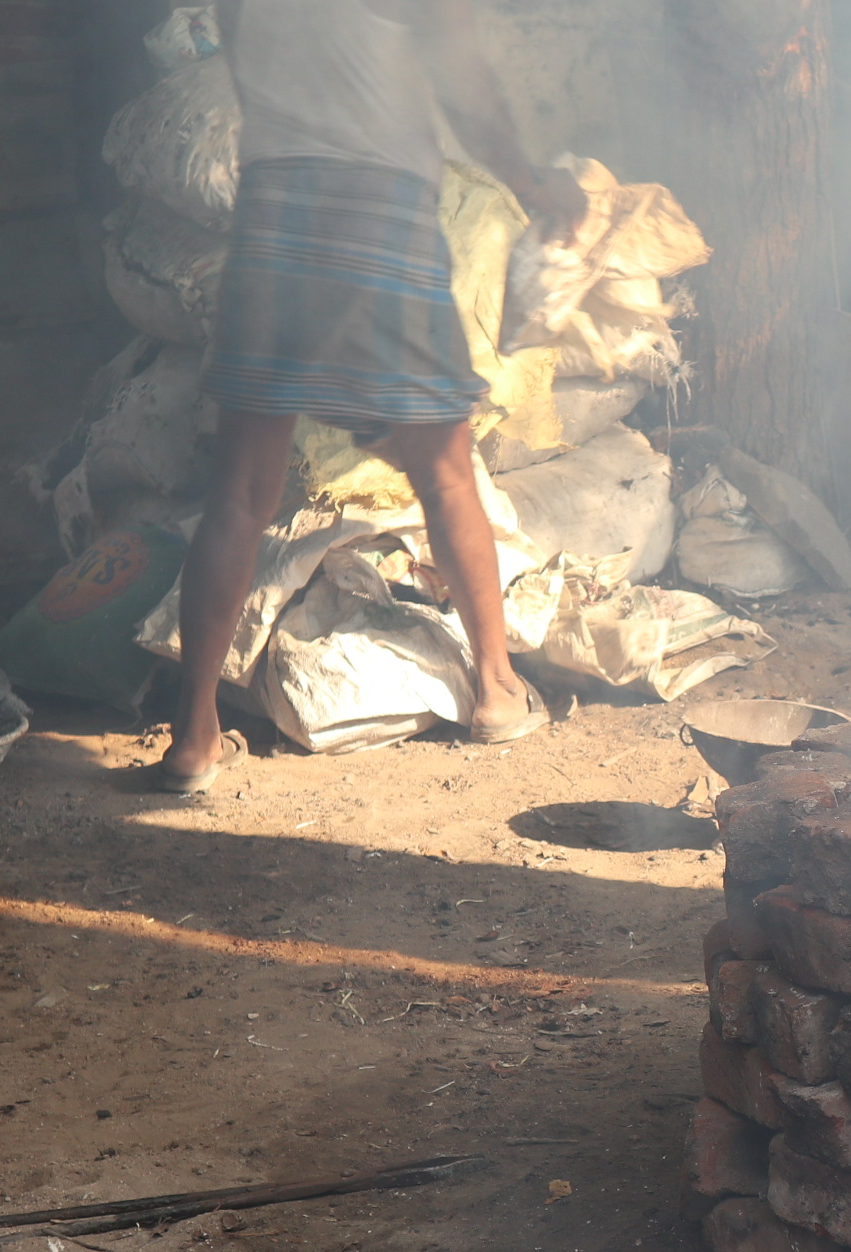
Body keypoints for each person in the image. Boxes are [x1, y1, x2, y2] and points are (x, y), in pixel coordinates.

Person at [156, 0, 586, 794]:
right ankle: (497, 690)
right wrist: (531, 181)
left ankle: (192, 738)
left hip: (273, 212)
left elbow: (251, 71)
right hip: (379, 211)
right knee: (446, 473)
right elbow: (465, 84)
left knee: (241, 493)